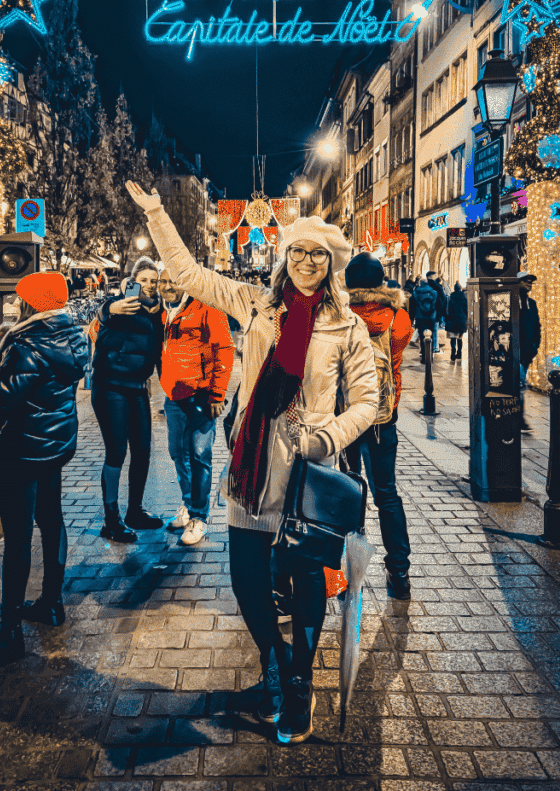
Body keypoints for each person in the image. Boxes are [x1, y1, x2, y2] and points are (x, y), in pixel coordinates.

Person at [127, 180, 376, 745]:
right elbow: (190, 276)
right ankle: (275, 660)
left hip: (308, 471)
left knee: (308, 576)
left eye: (318, 253)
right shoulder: (257, 304)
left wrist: (326, 435)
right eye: (299, 251)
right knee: (246, 580)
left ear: (331, 262)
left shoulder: (347, 325)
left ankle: (300, 683)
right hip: (253, 466)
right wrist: (158, 214)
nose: (308, 261)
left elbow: (368, 400)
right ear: (285, 256)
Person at [0, 271, 88, 658]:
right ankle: (52, 603)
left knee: (19, 535)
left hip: (22, 450)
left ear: (31, 304)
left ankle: (9, 628)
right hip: (56, 444)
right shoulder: (72, 335)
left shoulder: (27, 345)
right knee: (52, 519)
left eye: (20, 299)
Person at [343, 252, 414, 599]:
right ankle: (398, 572)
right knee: (387, 493)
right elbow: (400, 350)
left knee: (344, 494)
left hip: (343, 419)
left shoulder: (339, 315)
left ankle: (341, 575)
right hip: (383, 418)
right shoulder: (398, 317)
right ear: (381, 281)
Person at [91, 258, 164, 541]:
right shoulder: (123, 302)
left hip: (137, 387)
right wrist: (111, 306)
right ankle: (111, 520)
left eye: (153, 281)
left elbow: (157, 351)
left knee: (143, 451)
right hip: (110, 386)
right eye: (143, 280)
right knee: (117, 452)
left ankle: (135, 511)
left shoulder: (158, 311)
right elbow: (104, 312)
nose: (148, 285)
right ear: (133, 281)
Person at [158, 272, 234, 545]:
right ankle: (189, 505)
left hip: (202, 396)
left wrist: (217, 394)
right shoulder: (163, 310)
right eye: (162, 281)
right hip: (174, 396)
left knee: (200, 454)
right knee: (177, 452)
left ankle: (199, 518)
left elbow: (224, 347)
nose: (167, 286)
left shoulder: (205, 307)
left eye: (173, 280)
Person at [518, 272, 541, 432]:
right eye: (525, 281)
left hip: (527, 352)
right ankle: (519, 418)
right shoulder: (510, 302)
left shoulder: (531, 303)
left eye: (530, 282)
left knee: (519, 385)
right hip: (513, 352)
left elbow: (537, 327)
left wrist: (535, 346)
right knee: (519, 385)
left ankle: (518, 417)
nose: (529, 284)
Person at [410, 278, 439, 361]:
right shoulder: (434, 293)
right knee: (432, 336)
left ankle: (423, 356)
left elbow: (412, 306)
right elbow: (438, 305)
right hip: (431, 317)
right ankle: (430, 355)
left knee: (422, 336)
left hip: (420, 317)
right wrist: (437, 316)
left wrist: (411, 318)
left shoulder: (416, 293)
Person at [445, 282, 468, 361]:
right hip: (461, 320)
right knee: (459, 338)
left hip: (452, 320)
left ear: (454, 289)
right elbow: (466, 310)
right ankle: (459, 353)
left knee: (453, 338)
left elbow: (448, 309)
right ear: (460, 289)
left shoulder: (451, 297)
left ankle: (452, 352)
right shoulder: (464, 298)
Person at [426, 271, 447, 353]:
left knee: (425, 332)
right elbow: (443, 299)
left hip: (423, 314)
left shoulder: (422, 286)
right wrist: (441, 313)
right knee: (434, 331)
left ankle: (425, 349)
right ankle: (435, 347)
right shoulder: (437, 287)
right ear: (431, 276)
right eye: (435, 276)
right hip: (435, 313)